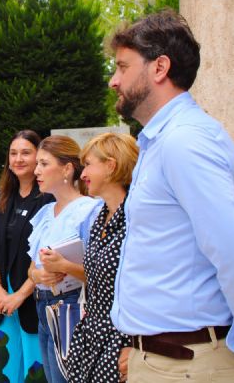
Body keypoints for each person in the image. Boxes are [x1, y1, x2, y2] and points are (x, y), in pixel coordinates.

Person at [108, 10, 234, 381]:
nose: (114, 81)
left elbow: (233, 248)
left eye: (122, 67)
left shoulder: (184, 141)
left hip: (192, 364)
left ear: (159, 67)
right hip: (172, 360)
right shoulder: (163, 141)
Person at [27, 135, 102, 383]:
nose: (36, 170)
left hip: (72, 308)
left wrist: (64, 266)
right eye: (37, 163)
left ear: (67, 169)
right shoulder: (46, 212)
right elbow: (32, 269)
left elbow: (103, 273)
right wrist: (38, 275)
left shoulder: (89, 211)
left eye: (44, 164)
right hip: (42, 307)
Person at [65, 133, 138, 382]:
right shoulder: (100, 219)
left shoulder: (136, 219)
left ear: (111, 165)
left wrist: (134, 344)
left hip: (121, 342)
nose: (82, 174)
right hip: (92, 337)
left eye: (88, 164)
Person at [0, 130, 54, 383]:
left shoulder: (48, 199)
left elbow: (47, 255)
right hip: (3, 302)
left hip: (33, 300)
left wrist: (19, 296)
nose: (18, 159)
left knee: (34, 372)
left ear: (38, 157)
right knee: (5, 368)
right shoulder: (4, 197)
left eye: (26, 152)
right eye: (13, 153)